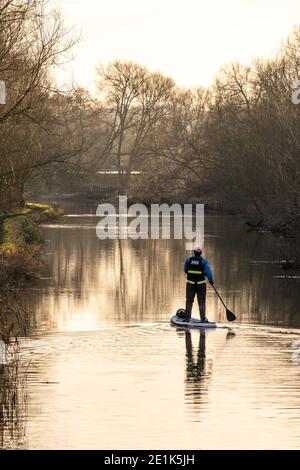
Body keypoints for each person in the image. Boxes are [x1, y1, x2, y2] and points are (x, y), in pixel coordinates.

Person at [184, 247, 214, 322]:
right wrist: (211, 281)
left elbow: (185, 270)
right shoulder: (204, 262)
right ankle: (203, 319)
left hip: (190, 284)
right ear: (200, 253)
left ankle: (187, 318)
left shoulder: (188, 260)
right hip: (201, 285)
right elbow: (209, 273)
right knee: (201, 301)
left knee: (189, 301)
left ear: (194, 252)